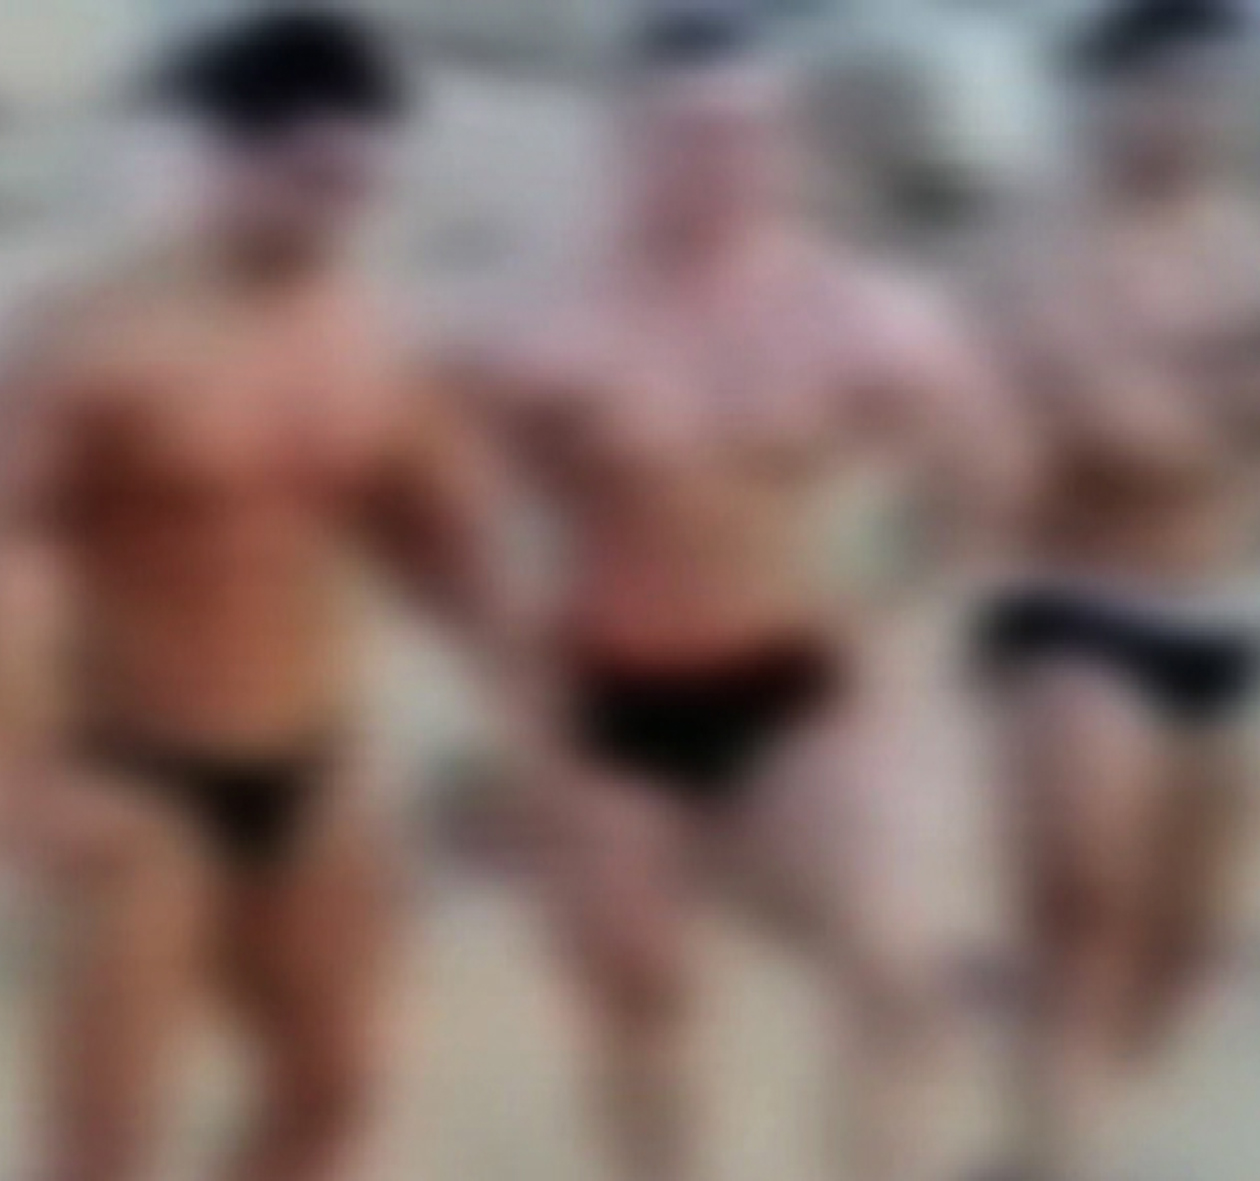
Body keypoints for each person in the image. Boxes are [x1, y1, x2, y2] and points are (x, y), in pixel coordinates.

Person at [0, 11, 507, 1181]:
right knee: (102, 1149)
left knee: (331, 1091)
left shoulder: (378, 340)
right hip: (140, 783)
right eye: (313, 180)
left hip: (313, 764)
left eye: (360, 183)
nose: (342, 211)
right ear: (229, 161)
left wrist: (536, 709)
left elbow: (438, 546)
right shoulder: (94, 337)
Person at [454, 11, 1029, 1181]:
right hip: (608, 697)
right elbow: (454, 516)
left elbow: (987, 470)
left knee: (894, 973)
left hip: (787, 684)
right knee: (640, 999)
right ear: (629, 142)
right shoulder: (551, 322)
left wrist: (900, 611)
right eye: (692, 135)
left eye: (755, 135)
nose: (728, 163)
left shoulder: (856, 309)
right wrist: (518, 694)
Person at [974, 2, 1260, 1177]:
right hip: (1074, 602)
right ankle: (1060, 1143)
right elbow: (1132, 439)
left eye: (1222, 91)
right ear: (1118, 97)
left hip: (1223, 615)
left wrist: (1200, 382)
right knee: (1081, 904)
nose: (1202, 116)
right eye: (1174, 90)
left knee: (1192, 945)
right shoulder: (1047, 244)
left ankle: (1046, 1141)